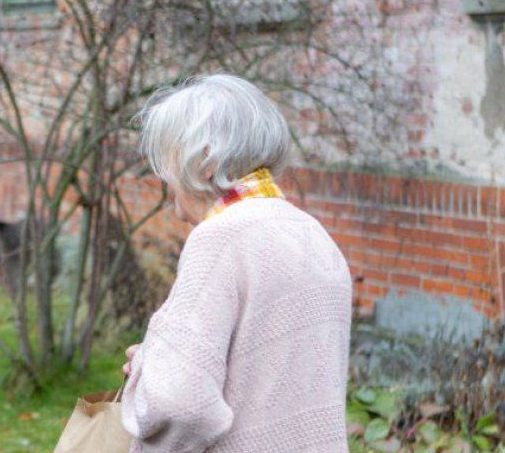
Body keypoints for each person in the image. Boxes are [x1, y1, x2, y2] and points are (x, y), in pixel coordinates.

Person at [120, 74, 352, 452]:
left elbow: (178, 402)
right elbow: (267, 375)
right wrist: (161, 359)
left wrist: (147, 376)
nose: (167, 183)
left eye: (168, 162)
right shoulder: (314, 235)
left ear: (206, 160)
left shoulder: (221, 238)